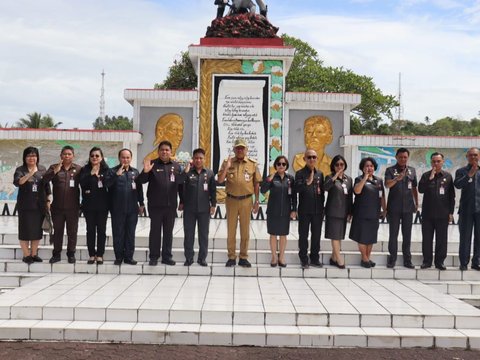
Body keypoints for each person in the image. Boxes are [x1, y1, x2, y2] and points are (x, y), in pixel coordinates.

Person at [139, 140, 186, 266]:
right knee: (155, 231)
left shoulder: (176, 166)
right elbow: (141, 181)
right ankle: (153, 257)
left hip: (170, 205)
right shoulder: (152, 164)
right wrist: (145, 171)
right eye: (162, 150)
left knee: (168, 232)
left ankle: (167, 256)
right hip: (155, 205)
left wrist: (182, 200)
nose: (164, 152)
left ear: (171, 152)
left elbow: (180, 184)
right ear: (158, 151)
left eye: (167, 150)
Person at [218, 138, 262, 267]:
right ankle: (231, 257)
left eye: (242, 148)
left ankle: (243, 256)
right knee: (231, 230)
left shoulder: (252, 164)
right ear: (234, 149)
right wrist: (226, 167)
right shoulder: (227, 162)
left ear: (246, 150)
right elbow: (220, 180)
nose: (240, 150)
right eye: (238, 148)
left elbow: (256, 184)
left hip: (247, 200)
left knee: (245, 231)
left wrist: (257, 201)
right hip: (231, 200)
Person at [43, 145, 82, 264]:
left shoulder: (79, 169)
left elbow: (86, 184)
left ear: (73, 156)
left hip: (73, 208)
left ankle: (71, 254)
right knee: (58, 231)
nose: (67, 156)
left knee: (72, 232)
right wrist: (55, 171)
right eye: (64, 154)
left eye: (69, 154)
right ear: (61, 156)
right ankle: (56, 254)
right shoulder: (54, 167)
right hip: (57, 208)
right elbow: (44, 181)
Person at [13, 147, 51, 264]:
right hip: (25, 205)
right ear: (25, 157)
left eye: (34, 155)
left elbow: (46, 186)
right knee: (25, 230)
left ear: (37, 157)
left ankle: (34, 254)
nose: (31, 158)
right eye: (29, 156)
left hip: (39, 205)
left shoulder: (42, 169)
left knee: (36, 231)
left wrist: (48, 200)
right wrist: (30, 174)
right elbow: (18, 182)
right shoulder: (21, 169)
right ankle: (26, 255)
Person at [180, 148, 216, 267]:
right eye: (196, 158)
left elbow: (213, 191)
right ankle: (189, 258)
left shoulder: (209, 173)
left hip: (204, 209)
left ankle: (202, 258)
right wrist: (185, 171)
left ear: (204, 159)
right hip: (189, 209)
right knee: (189, 234)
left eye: (201, 158)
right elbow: (180, 184)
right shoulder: (188, 172)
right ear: (193, 159)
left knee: (203, 235)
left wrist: (213, 205)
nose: (198, 160)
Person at [107, 148, 144, 265]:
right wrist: (116, 176)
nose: (125, 159)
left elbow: (139, 190)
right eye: (123, 157)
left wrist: (141, 203)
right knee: (118, 233)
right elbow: (107, 184)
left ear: (131, 158)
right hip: (117, 208)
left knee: (130, 233)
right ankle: (118, 257)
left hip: (132, 208)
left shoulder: (135, 172)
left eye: (128, 157)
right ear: (119, 158)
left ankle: (129, 257)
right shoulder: (112, 171)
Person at [418, 152, 455, 270]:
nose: (436, 163)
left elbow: (451, 197)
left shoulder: (448, 176)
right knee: (427, 239)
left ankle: (440, 262)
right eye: (434, 161)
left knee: (442, 240)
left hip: (443, 214)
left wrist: (450, 213)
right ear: (431, 162)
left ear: (442, 162)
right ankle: (427, 261)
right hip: (428, 214)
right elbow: (421, 190)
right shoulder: (425, 176)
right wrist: (430, 178)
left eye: (438, 161)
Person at [384, 148, 418, 269]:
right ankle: (392, 258)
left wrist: (416, 203)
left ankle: (407, 260)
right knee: (393, 234)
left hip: (408, 208)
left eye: (405, 157)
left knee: (407, 234)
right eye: (400, 157)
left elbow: (414, 188)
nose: (403, 159)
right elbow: (387, 185)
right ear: (396, 157)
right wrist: (396, 179)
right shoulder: (390, 170)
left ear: (407, 158)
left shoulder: (412, 171)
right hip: (394, 207)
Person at [349, 157, 387, 268]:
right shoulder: (358, 179)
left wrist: (385, 210)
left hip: (374, 213)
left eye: (371, 166)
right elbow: (357, 191)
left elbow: (382, 196)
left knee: (370, 237)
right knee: (362, 236)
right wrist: (365, 177)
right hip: (361, 213)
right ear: (362, 168)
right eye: (366, 166)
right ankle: (364, 258)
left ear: (374, 167)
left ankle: (367, 258)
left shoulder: (379, 180)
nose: (369, 168)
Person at [261, 155, 296, 267]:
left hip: (285, 211)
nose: (281, 166)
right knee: (273, 234)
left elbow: (293, 196)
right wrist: (268, 180)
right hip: (273, 211)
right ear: (275, 165)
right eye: (279, 164)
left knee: (283, 235)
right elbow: (263, 190)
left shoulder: (290, 179)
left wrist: (294, 209)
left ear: (286, 166)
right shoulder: (271, 177)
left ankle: (281, 257)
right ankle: (274, 257)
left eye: (283, 164)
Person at [79, 147, 111, 265]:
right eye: (92, 155)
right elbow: (82, 184)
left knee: (101, 231)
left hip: (103, 205)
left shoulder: (106, 170)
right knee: (90, 230)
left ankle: (100, 254)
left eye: (97, 156)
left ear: (101, 157)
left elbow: (109, 184)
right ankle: (92, 254)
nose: (94, 158)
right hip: (89, 205)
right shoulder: (85, 169)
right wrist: (91, 174)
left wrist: (100, 177)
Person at [294, 149, 325, 269]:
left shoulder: (320, 174)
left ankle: (314, 258)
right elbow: (296, 190)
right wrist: (307, 183)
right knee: (303, 235)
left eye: (314, 157)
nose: (312, 159)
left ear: (317, 159)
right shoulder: (300, 173)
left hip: (317, 211)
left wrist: (323, 208)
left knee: (316, 235)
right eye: (309, 157)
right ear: (304, 159)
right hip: (304, 210)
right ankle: (303, 259)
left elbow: (321, 192)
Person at [324, 155, 353, 269]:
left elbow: (350, 196)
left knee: (339, 236)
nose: (340, 166)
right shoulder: (329, 177)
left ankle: (333, 258)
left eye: (342, 164)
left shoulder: (348, 179)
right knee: (335, 236)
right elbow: (325, 188)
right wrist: (335, 176)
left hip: (344, 211)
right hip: (333, 211)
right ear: (333, 166)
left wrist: (350, 211)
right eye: (337, 164)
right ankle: (339, 259)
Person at [454, 147, 480, 271]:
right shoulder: (461, 171)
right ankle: (463, 263)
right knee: (465, 237)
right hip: (466, 209)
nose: (473, 157)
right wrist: (469, 175)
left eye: (475, 155)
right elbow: (458, 185)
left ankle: (477, 262)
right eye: (470, 155)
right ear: (467, 157)